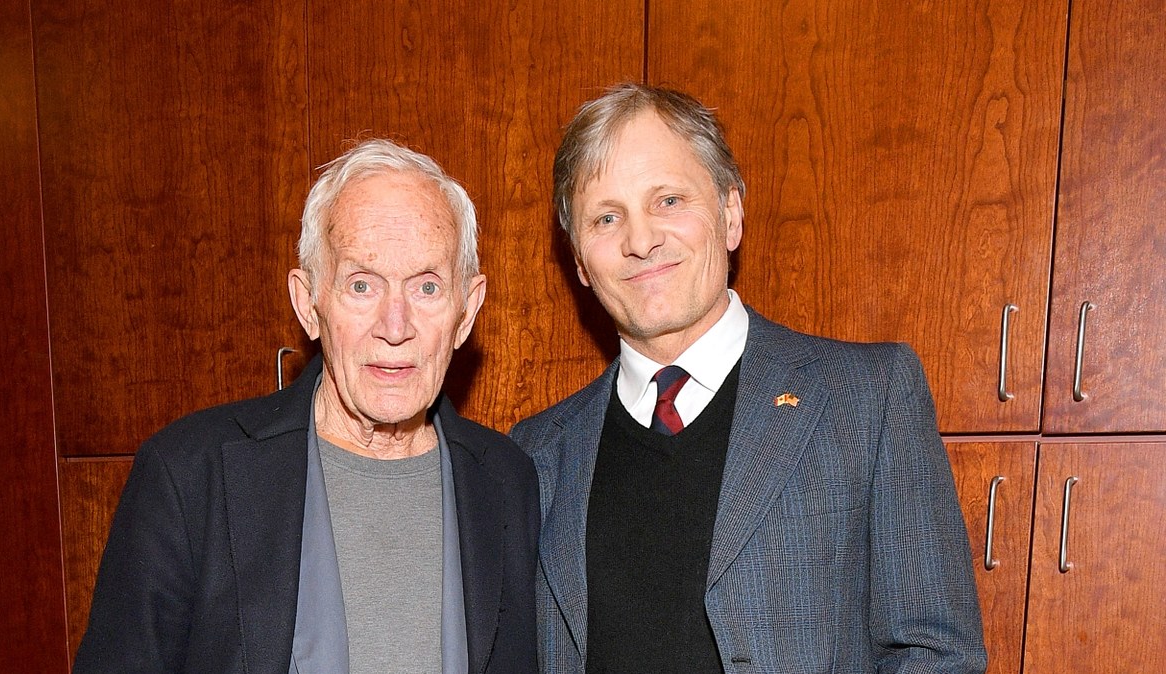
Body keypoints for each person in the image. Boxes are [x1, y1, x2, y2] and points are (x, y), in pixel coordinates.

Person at [510, 84, 986, 672]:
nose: (641, 240)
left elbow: (937, 655)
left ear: (730, 213)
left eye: (668, 200)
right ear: (580, 261)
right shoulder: (533, 455)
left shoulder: (868, 397)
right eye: (607, 217)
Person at [75, 139, 540, 674]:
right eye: (361, 285)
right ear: (308, 303)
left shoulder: (506, 483)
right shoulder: (189, 475)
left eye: (427, 288)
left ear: (466, 312)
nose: (395, 327)